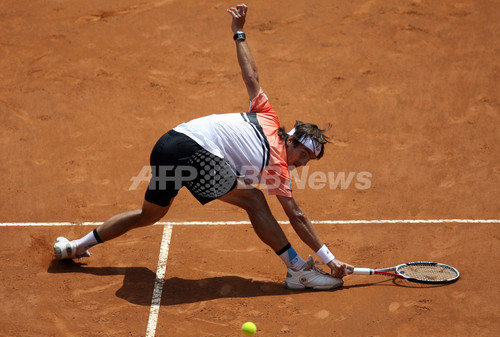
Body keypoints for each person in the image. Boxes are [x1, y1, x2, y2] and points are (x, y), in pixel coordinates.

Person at [54, 4, 354, 290]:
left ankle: (75, 246)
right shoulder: (276, 159)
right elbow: (296, 215)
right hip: (192, 151)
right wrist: (329, 258)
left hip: (168, 143)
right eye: (303, 154)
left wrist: (239, 33)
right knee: (255, 200)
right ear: (291, 140)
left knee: (149, 215)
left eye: (308, 160)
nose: (301, 163)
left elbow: (251, 77)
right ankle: (298, 270)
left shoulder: (265, 113)